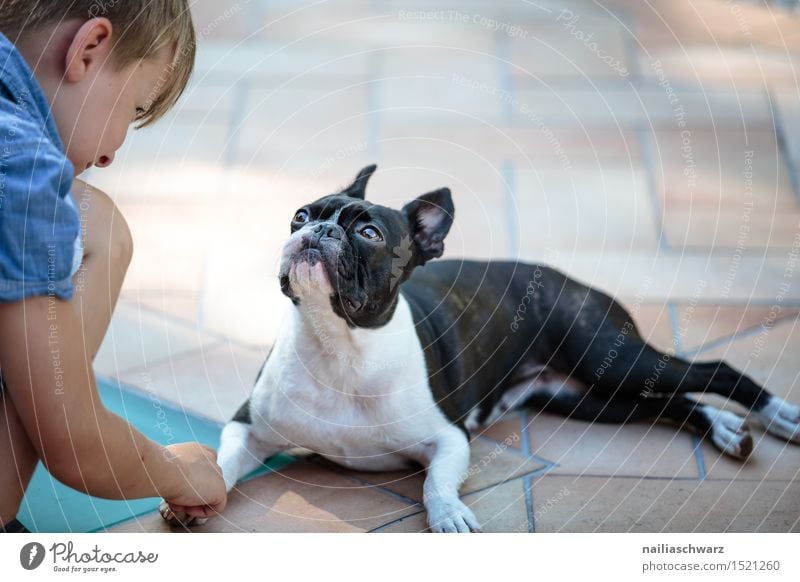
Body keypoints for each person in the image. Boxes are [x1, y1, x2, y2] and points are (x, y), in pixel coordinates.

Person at [0, 1, 226, 533]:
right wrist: (180, 471)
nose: (110, 155)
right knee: (98, 227)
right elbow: (75, 447)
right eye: (133, 107)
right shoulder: (26, 171)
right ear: (89, 49)